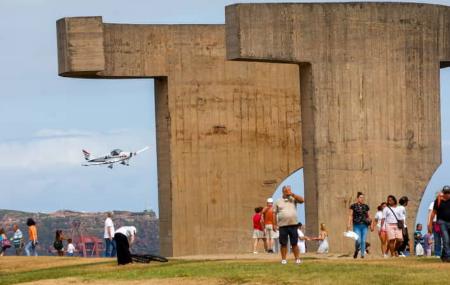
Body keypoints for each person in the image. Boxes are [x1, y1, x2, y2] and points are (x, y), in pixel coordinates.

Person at [274, 185, 304, 265]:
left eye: (289, 190)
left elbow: (302, 200)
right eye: (287, 190)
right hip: (282, 225)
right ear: (283, 191)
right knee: (283, 243)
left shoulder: (293, 199)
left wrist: (292, 194)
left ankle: (297, 259)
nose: (288, 192)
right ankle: (284, 259)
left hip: (293, 224)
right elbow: (274, 213)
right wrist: (274, 224)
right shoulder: (278, 201)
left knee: (294, 243)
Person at [428, 185, 450, 262]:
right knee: (446, 239)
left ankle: (444, 256)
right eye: (446, 193)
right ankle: (448, 257)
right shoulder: (438, 200)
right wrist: (430, 224)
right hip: (441, 222)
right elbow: (433, 213)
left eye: (448, 193)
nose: (447, 194)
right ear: (443, 193)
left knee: (448, 240)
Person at [348, 192, 373, 259]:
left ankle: (362, 255)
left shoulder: (366, 206)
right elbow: (350, 215)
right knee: (358, 240)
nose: (362, 199)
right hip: (356, 225)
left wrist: (371, 225)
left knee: (363, 240)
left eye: (363, 198)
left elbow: (369, 216)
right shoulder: (353, 206)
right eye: (360, 197)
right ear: (357, 198)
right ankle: (356, 250)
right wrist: (349, 224)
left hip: (364, 225)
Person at [428, 192, 443, 257]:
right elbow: (429, 214)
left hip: (443, 222)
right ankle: (437, 253)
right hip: (435, 223)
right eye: (439, 196)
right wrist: (429, 224)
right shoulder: (433, 204)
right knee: (437, 239)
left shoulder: (445, 203)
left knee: (446, 238)